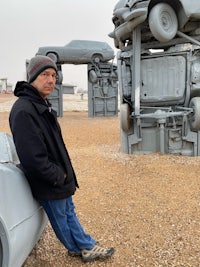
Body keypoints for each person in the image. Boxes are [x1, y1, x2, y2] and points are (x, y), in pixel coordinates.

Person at [9, 55, 115, 263]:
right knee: (62, 218)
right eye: (45, 75)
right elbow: (32, 158)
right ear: (33, 77)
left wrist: (64, 173)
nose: (51, 80)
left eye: (54, 76)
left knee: (68, 212)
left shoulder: (39, 104)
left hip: (58, 176)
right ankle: (81, 247)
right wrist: (58, 175)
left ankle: (84, 246)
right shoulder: (23, 110)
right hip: (50, 179)